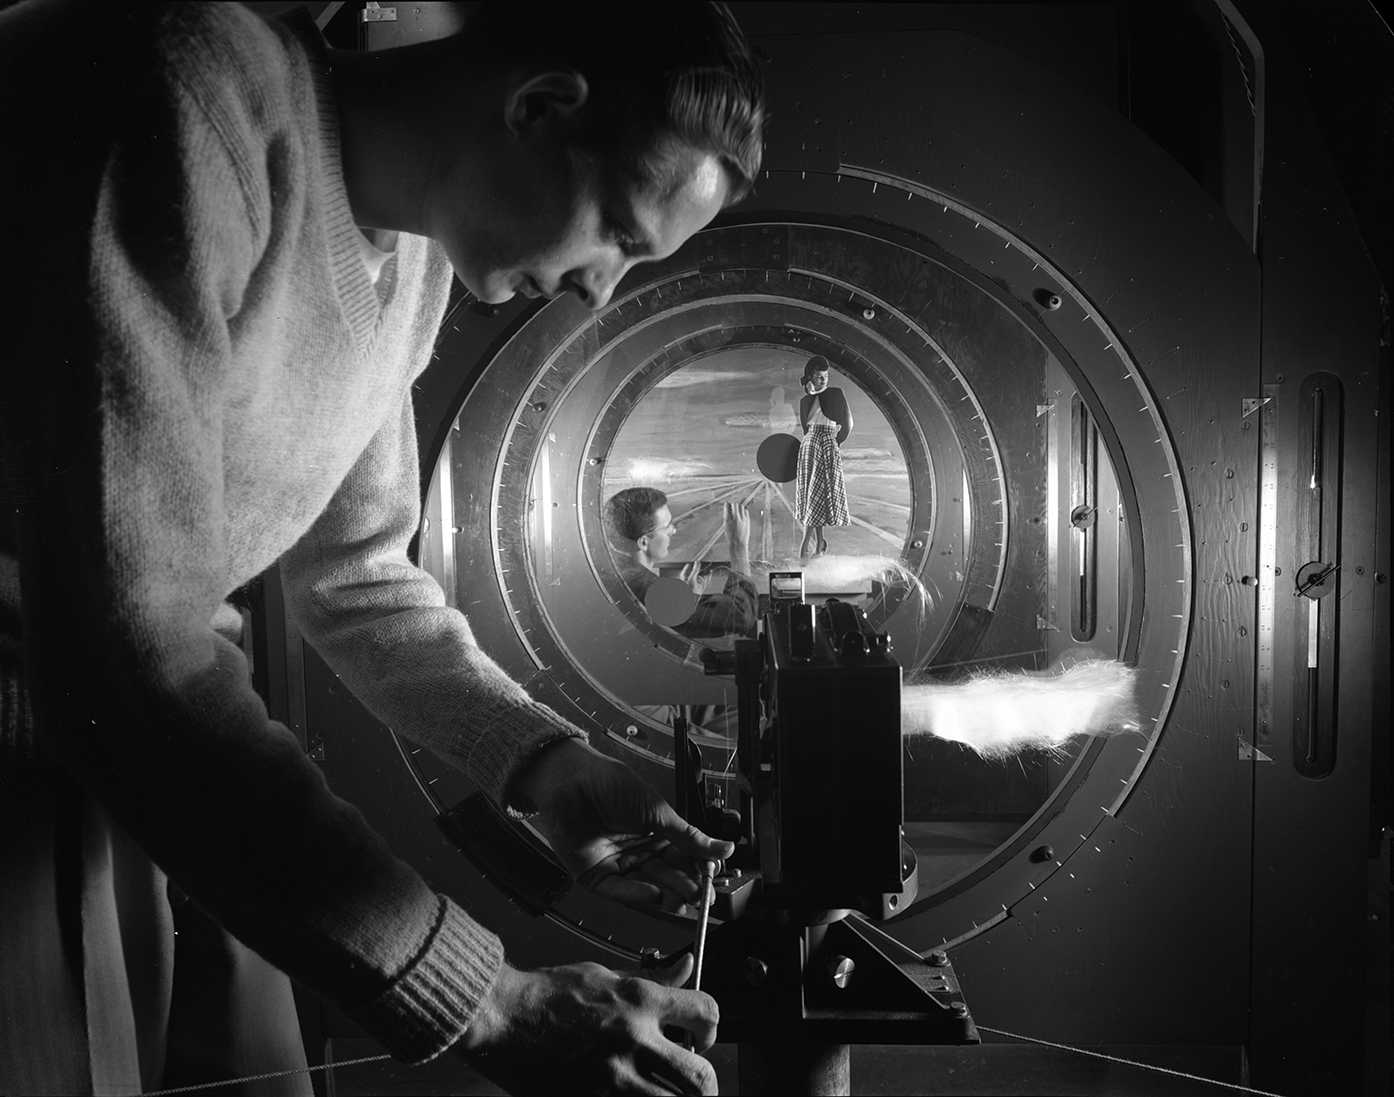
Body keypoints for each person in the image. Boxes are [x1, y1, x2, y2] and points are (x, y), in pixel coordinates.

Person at [0, 2, 764, 1094]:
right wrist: (488, 1000)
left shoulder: (413, 263)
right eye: (618, 233)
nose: (601, 291)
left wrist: (539, 760)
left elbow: (356, 575)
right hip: (44, 735)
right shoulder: (175, 97)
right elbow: (124, 639)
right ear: (540, 107)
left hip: (161, 757)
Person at [605, 489, 759, 641]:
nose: (673, 531)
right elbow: (742, 616)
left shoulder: (615, 571)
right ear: (644, 542)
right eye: (667, 527)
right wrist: (738, 546)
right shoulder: (645, 588)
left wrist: (690, 600)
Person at [794, 356, 854, 558]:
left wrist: (835, 442)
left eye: (826, 376)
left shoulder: (836, 394)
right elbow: (805, 427)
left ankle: (805, 546)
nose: (824, 380)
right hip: (810, 444)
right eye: (819, 377)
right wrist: (814, 441)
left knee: (816, 494)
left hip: (828, 442)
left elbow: (847, 423)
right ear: (810, 377)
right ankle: (819, 543)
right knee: (813, 495)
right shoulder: (804, 400)